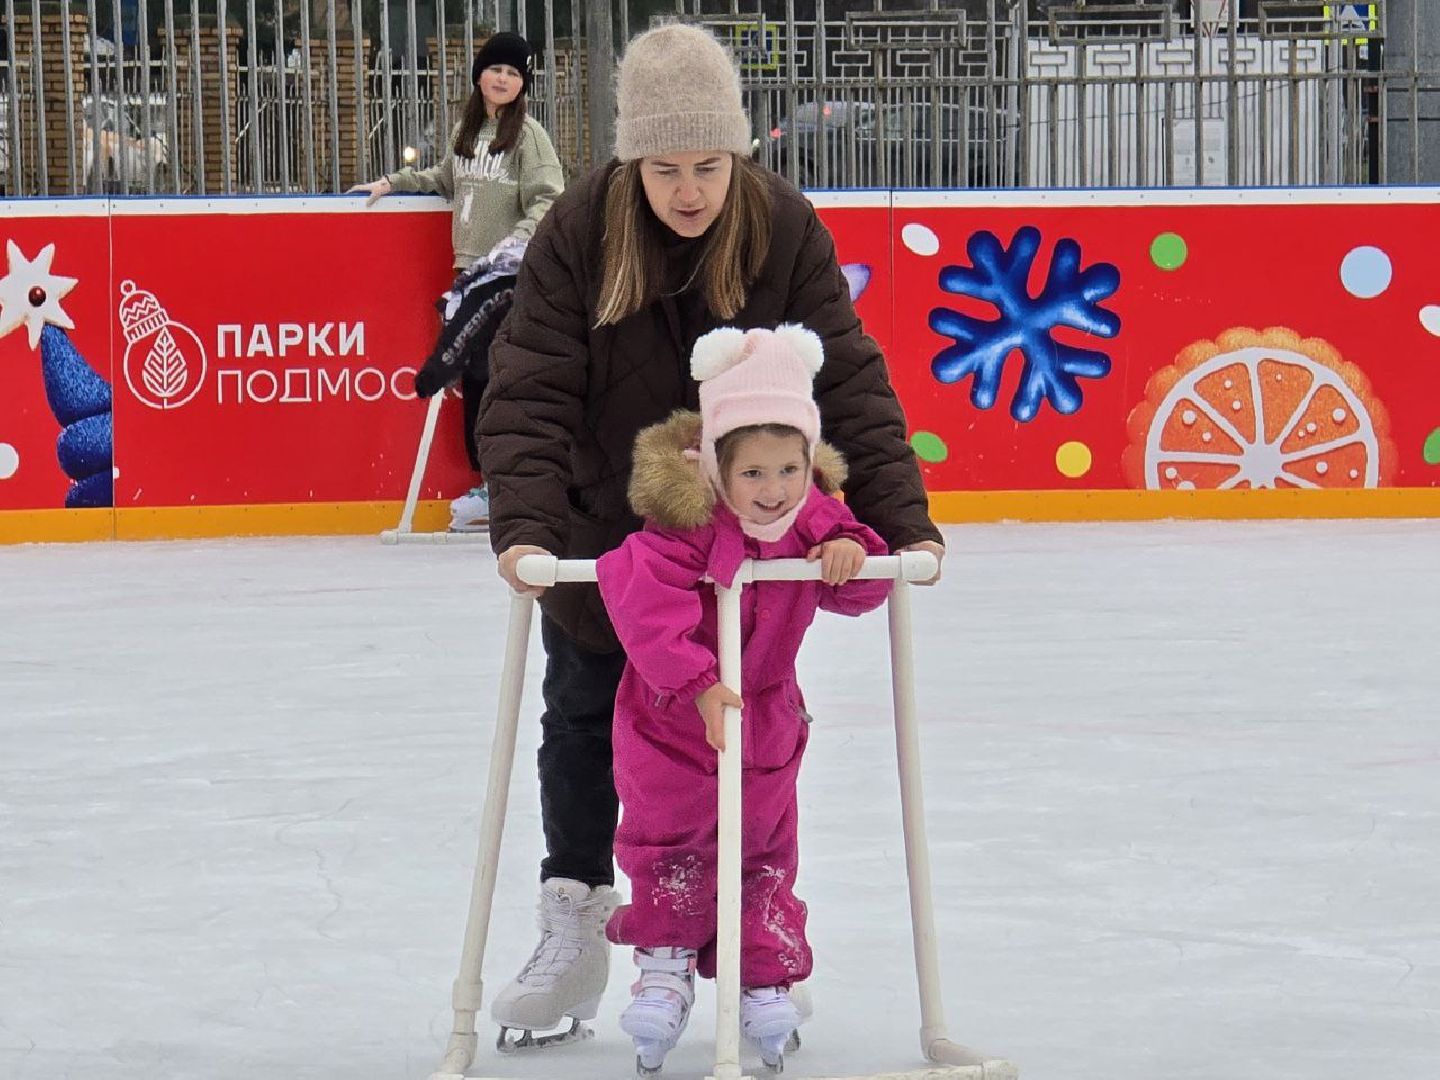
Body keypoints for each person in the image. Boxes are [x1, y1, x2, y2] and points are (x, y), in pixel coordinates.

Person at [475, 21, 945, 1047]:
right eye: (663, 168)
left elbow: (848, 372)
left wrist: (902, 521)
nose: (688, 192)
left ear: (738, 154)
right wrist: (526, 528)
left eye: (708, 167)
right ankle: (580, 913)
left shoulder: (781, 225)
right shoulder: (582, 233)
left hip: (754, 529)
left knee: (752, 736)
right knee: (586, 715)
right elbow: (533, 384)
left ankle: (753, 932)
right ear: (628, 159)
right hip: (616, 526)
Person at [595, 323, 892, 1072]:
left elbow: (862, 587)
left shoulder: (813, 514)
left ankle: (765, 971)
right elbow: (638, 593)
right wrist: (693, 683)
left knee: (763, 848)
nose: (774, 491)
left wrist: (849, 553)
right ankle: (663, 964)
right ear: (719, 469)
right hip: (670, 717)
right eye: (754, 473)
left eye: (790, 469)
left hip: (763, 719)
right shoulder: (687, 521)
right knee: (669, 842)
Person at [349, 31, 562, 531]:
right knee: (473, 378)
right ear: (480, 76)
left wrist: (516, 244)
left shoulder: (529, 135)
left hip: (505, 276)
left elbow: (549, 195)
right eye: (496, 69)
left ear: (523, 83)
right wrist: (393, 183)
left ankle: (500, 486)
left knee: (495, 377)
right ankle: (490, 483)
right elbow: (445, 178)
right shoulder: (466, 132)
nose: (503, 79)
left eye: (513, 73)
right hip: (467, 272)